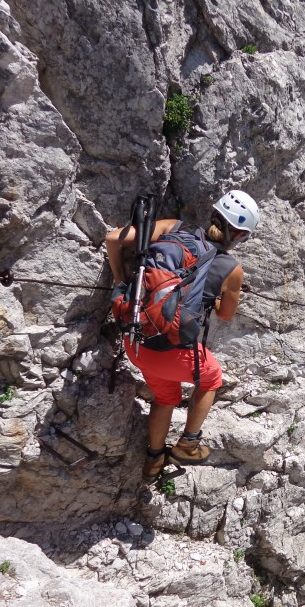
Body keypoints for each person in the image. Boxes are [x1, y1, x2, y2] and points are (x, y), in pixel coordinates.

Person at [106, 189, 259, 482]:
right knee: (212, 376)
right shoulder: (232, 269)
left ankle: (154, 459)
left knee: (166, 397)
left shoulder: (172, 227)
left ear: (214, 214)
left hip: (136, 340)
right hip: (172, 351)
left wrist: (120, 280)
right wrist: (214, 295)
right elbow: (226, 315)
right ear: (238, 235)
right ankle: (189, 443)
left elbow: (114, 239)